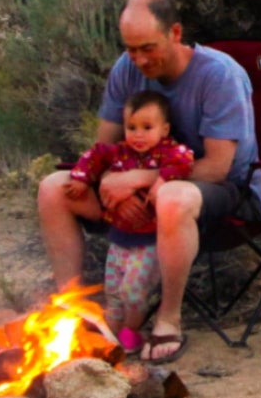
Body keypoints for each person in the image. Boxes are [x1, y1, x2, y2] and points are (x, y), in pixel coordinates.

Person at [37, 0, 261, 363]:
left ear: (175, 32)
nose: (139, 60)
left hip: (221, 194)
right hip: (143, 193)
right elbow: (106, 146)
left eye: (148, 48)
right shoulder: (126, 69)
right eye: (131, 49)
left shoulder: (219, 75)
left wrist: (140, 180)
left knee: (172, 196)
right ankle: (73, 308)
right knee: (52, 189)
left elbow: (218, 167)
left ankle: (168, 319)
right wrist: (122, 193)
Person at [65, 91, 195, 352]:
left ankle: (131, 330)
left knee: (133, 292)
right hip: (120, 237)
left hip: (149, 239)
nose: (138, 135)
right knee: (113, 290)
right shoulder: (119, 153)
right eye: (131, 127)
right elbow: (95, 155)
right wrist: (81, 178)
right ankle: (110, 333)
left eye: (147, 128)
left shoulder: (166, 151)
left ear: (164, 129)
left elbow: (184, 159)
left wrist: (161, 179)